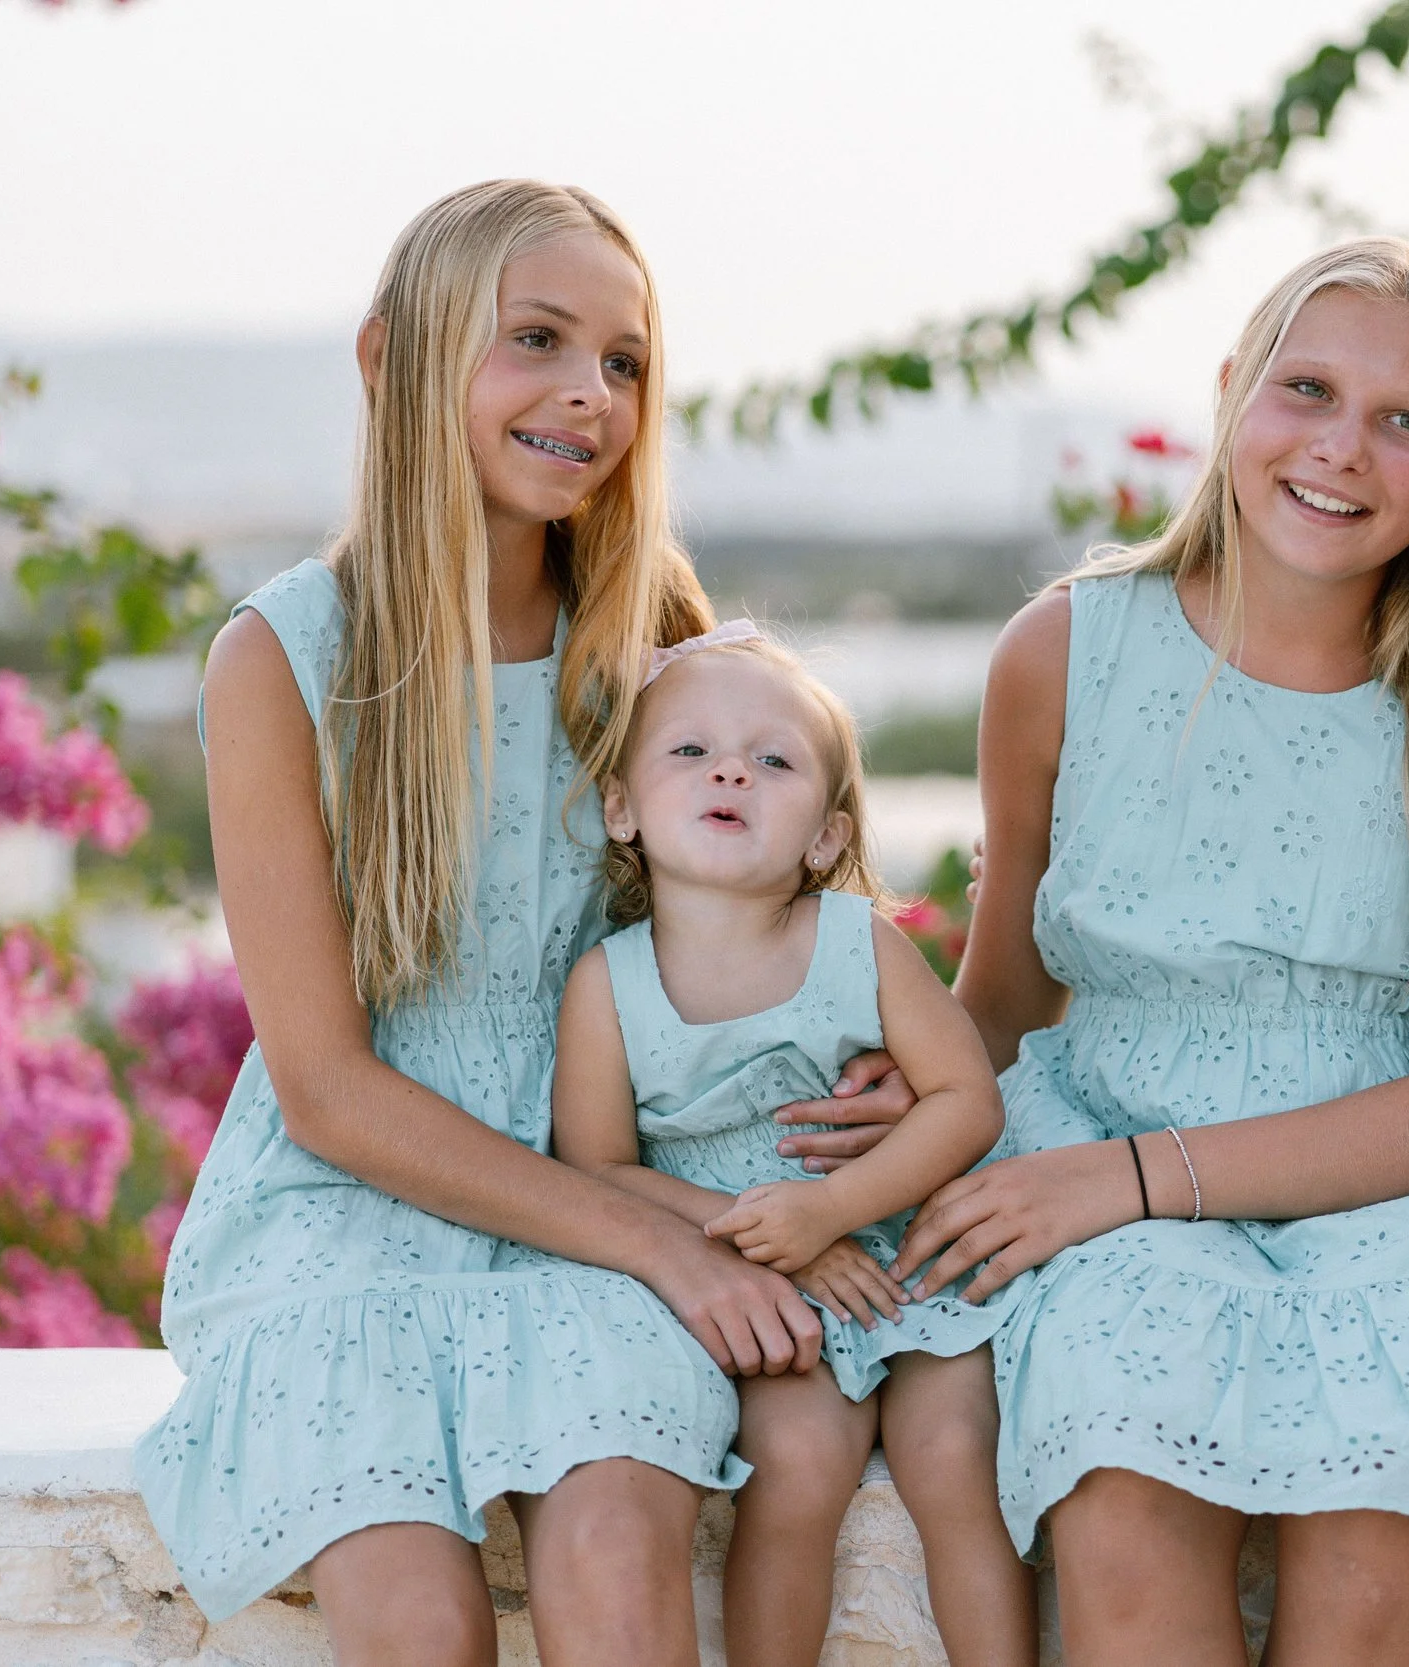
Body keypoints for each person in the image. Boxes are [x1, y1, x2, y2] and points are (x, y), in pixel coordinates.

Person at [133, 180, 912, 1661]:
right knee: (423, 1622)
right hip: (346, 1217)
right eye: (539, 340)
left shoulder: (655, 631)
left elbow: (783, 908)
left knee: (622, 1548)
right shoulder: (284, 654)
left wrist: (853, 1048)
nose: (589, 394)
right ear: (393, 358)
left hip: (606, 1189)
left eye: (624, 361)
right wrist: (667, 1251)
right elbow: (327, 1088)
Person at [888, 237, 1409, 1666]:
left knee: (1378, 1565)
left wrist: (1140, 1178)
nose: (1344, 448)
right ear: (1230, 393)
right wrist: (905, 1106)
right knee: (1126, 1530)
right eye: (1309, 389)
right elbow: (1012, 987)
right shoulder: (1062, 651)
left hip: (1397, 1195)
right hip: (1106, 1160)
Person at [552, 623, 1034, 1667]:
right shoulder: (609, 985)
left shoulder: (857, 941)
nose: (732, 768)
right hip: (754, 1279)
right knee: (799, 1462)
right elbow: (597, 1167)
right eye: (690, 752)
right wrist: (775, 1237)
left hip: (908, 1257)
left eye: (775, 760)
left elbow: (964, 1099)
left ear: (824, 833)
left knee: (955, 1457)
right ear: (621, 807)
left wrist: (833, 1207)